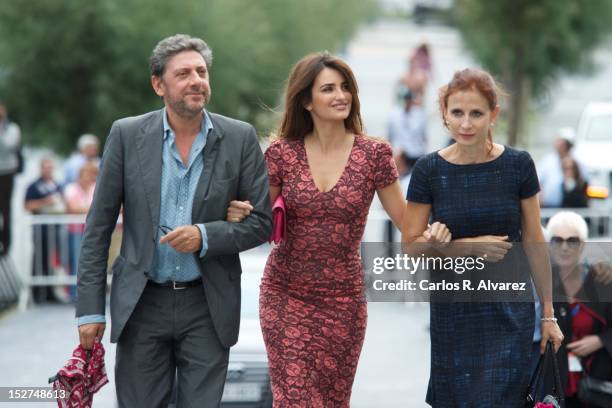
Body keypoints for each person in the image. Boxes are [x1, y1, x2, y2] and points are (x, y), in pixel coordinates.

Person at [75, 34, 272, 407]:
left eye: (201, 71)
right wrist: (89, 309)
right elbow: (97, 228)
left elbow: (261, 223)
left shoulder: (239, 138)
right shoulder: (126, 135)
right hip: (141, 303)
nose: (196, 80)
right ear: (158, 84)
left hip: (208, 304)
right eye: (183, 74)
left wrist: (205, 235)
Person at [229, 52, 406, 406]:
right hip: (285, 295)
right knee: (294, 399)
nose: (341, 95)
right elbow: (262, 220)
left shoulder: (374, 155)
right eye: (328, 89)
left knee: (332, 401)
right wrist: (238, 212)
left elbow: (408, 224)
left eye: (345, 88)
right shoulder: (281, 153)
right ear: (306, 101)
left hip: (344, 301)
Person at [402, 68, 564, 407]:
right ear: (444, 113)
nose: (466, 123)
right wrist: (462, 247)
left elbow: (535, 241)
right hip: (454, 313)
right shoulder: (429, 171)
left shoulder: (518, 165)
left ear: (494, 114)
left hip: (509, 313)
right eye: (457, 112)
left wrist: (548, 316)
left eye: (476, 113)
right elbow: (411, 248)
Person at [544, 211, 612, 407]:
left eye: (572, 241)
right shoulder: (540, 282)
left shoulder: (602, 281)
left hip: (597, 387)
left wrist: (601, 340)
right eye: (557, 240)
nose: (564, 247)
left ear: (583, 245)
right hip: (552, 385)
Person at [24, 157, 66, 303]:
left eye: (50, 167)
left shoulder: (57, 185)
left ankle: (49, 292)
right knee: (38, 259)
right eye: (45, 167)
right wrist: (45, 202)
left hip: (55, 228)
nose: (48, 170)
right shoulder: (34, 186)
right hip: (41, 229)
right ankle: (36, 294)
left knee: (51, 261)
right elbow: (28, 206)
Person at [64, 162, 98, 300]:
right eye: (85, 173)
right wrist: (93, 209)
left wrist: (86, 209)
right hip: (76, 230)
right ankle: (74, 293)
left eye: (91, 174)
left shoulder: (96, 187)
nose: (88, 177)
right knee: (76, 260)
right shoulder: (71, 188)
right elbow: (72, 207)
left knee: (93, 261)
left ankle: (90, 293)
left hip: (93, 230)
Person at [538, 127, 586, 208]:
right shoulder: (547, 161)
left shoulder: (578, 160)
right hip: (548, 207)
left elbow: (584, 182)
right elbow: (538, 181)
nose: (560, 145)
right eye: (558, 141)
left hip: (571, 207)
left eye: (563, 143)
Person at [387, 87, 428, 171]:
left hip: (416, 152)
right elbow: (389, 136)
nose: (406, 102)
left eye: (408, 99)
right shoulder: (393, 115)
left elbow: (423, 135)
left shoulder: (419, 114)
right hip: (400, 154)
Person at [0, 100, 22, 255]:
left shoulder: (12, 128)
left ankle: (6, 244)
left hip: (7, 172)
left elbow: (10, 145)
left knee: (6, 209)